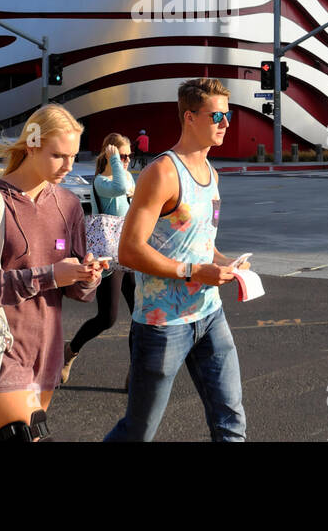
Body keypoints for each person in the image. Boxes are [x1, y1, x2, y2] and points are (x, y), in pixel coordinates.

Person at [105, 78, 249, 442]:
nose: (226, 123)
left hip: (210, 314)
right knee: (138, 431)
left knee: (231, 421)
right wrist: (192, 271)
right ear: (189, 117)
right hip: (163, 323)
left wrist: (225, 263)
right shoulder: (162, 172)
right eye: (217, 115)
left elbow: (203, 244)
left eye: (228, 115)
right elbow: (129, 249)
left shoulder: (212, 174)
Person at [0, 104, 101, 441]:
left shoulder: (68, 204)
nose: (68, 166)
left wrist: (87, 276)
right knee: (19, 436)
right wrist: (50, 275)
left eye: (73, 156)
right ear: (32, 145)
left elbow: (78, 291)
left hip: (46, 353)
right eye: (58, 156)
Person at [60, 133, 138, 385]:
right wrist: (114, 160)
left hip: (129, 251)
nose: (126, 161)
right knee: (108, 317)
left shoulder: (124, 176)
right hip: (109, 255)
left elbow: (132, 193)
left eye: (128, 156)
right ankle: (70, 351)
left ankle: (135, 372)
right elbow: (120, 189)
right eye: (122, 156)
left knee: (140, 314)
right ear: (109, 155)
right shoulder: (102, 181)